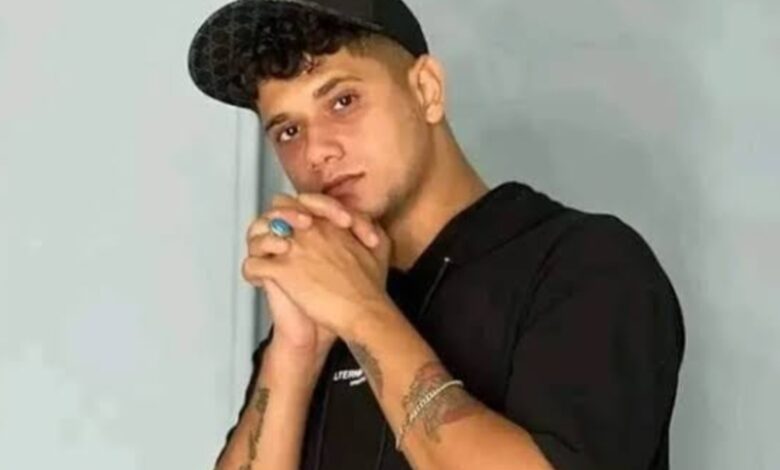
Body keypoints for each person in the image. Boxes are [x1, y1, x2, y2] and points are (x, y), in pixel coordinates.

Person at [187, 0, 685, 469]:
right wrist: (295, 350)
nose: (316, 152)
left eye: (343, 101)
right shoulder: (321, 306)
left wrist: (362, 313)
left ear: (426, 90)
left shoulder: (588, 266)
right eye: (288, 131)